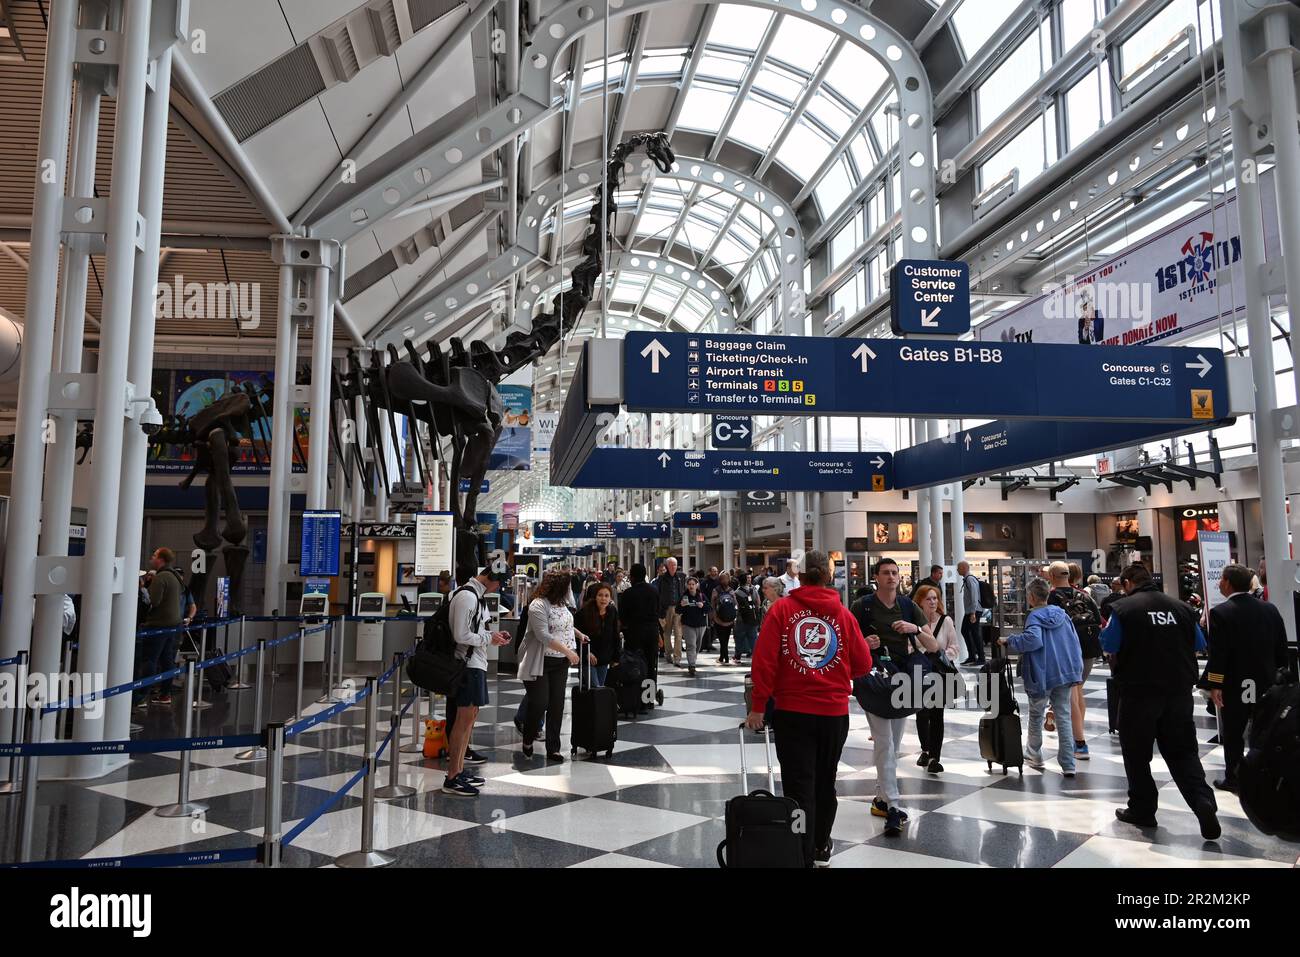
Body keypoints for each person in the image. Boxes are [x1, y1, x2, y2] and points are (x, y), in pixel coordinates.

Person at [747, 551, 872, 867]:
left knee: (798, 784)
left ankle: (800, 848)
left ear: (799, 576)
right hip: (833, 713)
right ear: (828, 577)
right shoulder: (843, 616)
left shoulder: (781, 611)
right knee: (824, 781)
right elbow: (863, 664)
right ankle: (820, 845)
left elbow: (763, 662)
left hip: (792, 712)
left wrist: (758, 706)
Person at [1101, 563, 1221, 839]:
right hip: (1178, 693)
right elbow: (1199, 643)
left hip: (1138, 692)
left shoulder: (1124, 610)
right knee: (1183, 752)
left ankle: (1143, 809)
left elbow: (1109, 644)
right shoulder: (1181, 608)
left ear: (1128, 582)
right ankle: (1202, 802)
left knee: (1137, 754)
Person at [850, 557, 938, 836]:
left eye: (895, 573)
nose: (892, 577)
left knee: (893, 745)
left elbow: (933, 645)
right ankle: (893, 806)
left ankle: (881, 798)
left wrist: (915, 630)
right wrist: (864, 643)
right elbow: (846, 644)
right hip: (874, 680)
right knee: (885, 743)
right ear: (876, 577)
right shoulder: (861, 607)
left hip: (902, 681)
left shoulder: (909, 607)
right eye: (886, 573)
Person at [1202, 564, 1290, 792]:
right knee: (1265, 731)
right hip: (1266, 681)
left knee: (1233, 733)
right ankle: (1267, 776)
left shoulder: (1221, 612)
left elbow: (1219, 654)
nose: (1219, 583)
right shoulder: (1270, 609)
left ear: (1229, 583)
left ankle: (1234, 776)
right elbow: (1281, 648)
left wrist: (1214, 684)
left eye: (1221, 579)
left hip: (1235, 684)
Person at [999, 578, 1083, 776]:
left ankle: (1034, 754)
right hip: (1064, 671)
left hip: (1042, 673)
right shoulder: (1062, 614)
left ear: (1031, 597)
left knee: (1036, 714)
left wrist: (1010, 640)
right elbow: (1073, 641)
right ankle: (1068, 763)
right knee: (1063, 715)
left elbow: (1033, 640)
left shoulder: (1034, 616)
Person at [441, 565, 512, 797]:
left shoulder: (475, 596)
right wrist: (489, 638)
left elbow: (474, 630)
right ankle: (452, 776)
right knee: (463, 721)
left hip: (475, 664)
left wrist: (492, 637)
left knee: (469, 719)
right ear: (491, 578)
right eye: (499, 582)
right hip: (467, 666)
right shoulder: (467, 597)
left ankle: (459, 770)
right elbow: (460, 635)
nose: (499, 587)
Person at [1044, 560, 1102, 761]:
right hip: (1089, 649)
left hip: (1068, 650)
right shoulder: (1085, 596)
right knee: (1078, 693)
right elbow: (1098, 620)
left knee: (1072, 697)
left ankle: (1079, 742)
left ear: (1052, 576)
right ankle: (1075, 734)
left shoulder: (1051, 597)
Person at [912, 583, 960, 774]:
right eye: (928, 598)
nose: (933, 602)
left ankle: (935, 758)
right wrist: (923, 653)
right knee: (922, 713)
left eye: (935, 598)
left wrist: (941, 656)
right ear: (920, 602)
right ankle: (925, 749)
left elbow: (955, 647)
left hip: (939, 674)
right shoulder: (914, 622)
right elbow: (909, 646)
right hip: (919, 671)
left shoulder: (946, 621)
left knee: (937, 715)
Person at [133, 547, 185, 711]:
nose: (151, 558)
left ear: (161, 559)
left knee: (149, 659)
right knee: (166, 659)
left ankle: (140, 696)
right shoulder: (175, 577)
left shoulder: (161, 577)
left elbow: (153, 601)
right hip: (172, 625)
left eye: (154, 555)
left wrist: (143, 588)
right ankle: (165, 693)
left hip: (158, 625)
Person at [619, 563, 662, 694]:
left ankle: (635, 696)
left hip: (634, 633)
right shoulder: (654, 590)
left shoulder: (627, 594)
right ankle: (648, 697)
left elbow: (622, 616)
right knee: (650, 664)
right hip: (651, 632)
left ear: (631, 577)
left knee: (634, 664)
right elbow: (658, 611)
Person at [575, 582, 620, 687]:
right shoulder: (583, 613)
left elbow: (615, 635)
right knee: (595, 688)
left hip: (604, 658)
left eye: (606, 596)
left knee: (600, 690)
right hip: (588, 658)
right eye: (600, 595)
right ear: (595, 596)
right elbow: (577, 636)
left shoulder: (612, 611)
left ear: (610, 598)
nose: (603, 599)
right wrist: (587, 652)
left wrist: (616, 658)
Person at [655, 557, 688, 666]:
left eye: (675, 565)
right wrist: (660, 612)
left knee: (679, 634)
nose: (673, 567)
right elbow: (658, 595)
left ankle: (677, 657)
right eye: (671, 565)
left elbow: (684, 591)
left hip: (678, 608)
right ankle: (668, 653)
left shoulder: (681, 577)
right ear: (667, 566)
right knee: (667, 633)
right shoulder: (662, 579)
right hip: (666, 609)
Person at [677, 577, 708, 677]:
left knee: (697, 646)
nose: (691, 586)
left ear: (696, 585)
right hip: (688, 625)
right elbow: (677, 610)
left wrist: (702, 606)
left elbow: (709, 608)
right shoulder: (684, 596)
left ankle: (693, 660)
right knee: (691, 645)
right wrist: (681, 605)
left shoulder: (702, 596)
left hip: (700, 624)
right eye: (689, 584)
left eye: (693, 584)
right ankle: (692, 666)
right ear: (687, 585)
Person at [957, 560, 985, 665]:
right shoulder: (967, 579)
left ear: (964, 568)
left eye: (958, 568)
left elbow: (974, 597)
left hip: (974, 611)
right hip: (971, 611)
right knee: (966, 631)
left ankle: (981, 657)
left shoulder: (970, 579)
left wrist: (973, 612)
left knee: (974, 633)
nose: (957, 570)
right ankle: (972, 656)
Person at [711, 573, 741, 665]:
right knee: (726, 638)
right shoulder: (731, 591)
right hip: (729, 619)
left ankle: (724, 656)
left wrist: (712, 617)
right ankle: (723, 656)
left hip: (718, 619)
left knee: (721, 639)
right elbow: (736, 605)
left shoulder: (716, 590)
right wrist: (735, 615)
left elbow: (712, 604)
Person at [733, 572, 761, 662]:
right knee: (753, 637)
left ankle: (737, 656)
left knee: (739, 637)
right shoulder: (753, 590)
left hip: (741, 618)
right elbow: (758, 602)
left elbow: (736, 605)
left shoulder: (737, 592)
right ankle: (756, 655)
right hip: (752, 617)